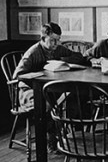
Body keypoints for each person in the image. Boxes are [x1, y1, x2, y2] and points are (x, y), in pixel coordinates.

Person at [13, 22, 85, 152]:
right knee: (47, 105)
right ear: (42, 39)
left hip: (49, 90)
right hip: (29, 91)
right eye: (52, 40)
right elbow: (17, 75)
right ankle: (51, 141)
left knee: (74, 97)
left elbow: (78, 57)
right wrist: (40, 74)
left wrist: (62, 60)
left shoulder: (57, 48)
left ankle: (72, 138)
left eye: (58, 40)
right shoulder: (33, 52)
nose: (56, 44)